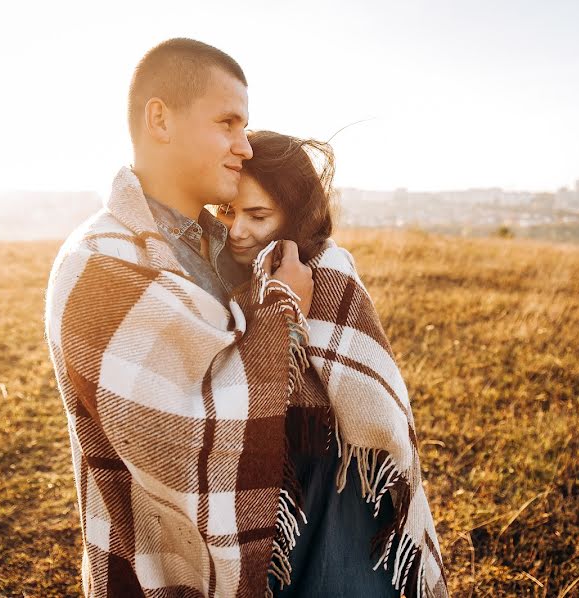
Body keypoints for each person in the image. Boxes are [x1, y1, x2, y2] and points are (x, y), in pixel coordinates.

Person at [44, 40, 315, 597]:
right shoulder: (98, 263)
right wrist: (282, 312)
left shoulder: (226, 246)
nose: (244, 146)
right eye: (227, 122)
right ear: (160, 118)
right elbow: (183, 432)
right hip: (155, 574)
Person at [215, 130, 450, 597]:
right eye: (227, 211)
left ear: (295, 213)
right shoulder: (211, 270)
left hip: (334, 486)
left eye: (257, 215)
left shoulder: (330, 272)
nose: (237, 229)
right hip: (250, 483)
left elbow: (375, 406)